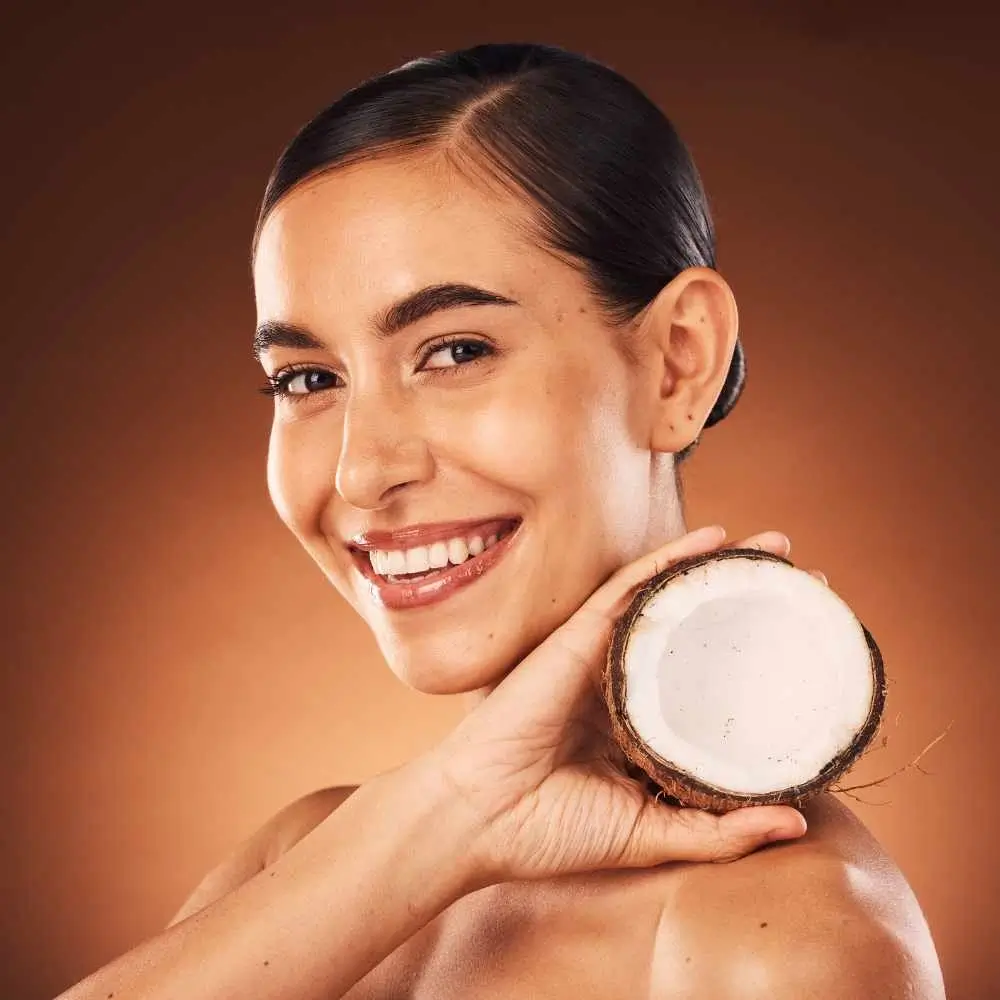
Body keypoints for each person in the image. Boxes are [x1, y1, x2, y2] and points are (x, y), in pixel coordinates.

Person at [60, 43, 946, 1000]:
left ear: (677, 364)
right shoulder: (307, 859)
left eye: (454, 351)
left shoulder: (774, 943)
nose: (362, 470)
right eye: (307, 379)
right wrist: (450, 810)